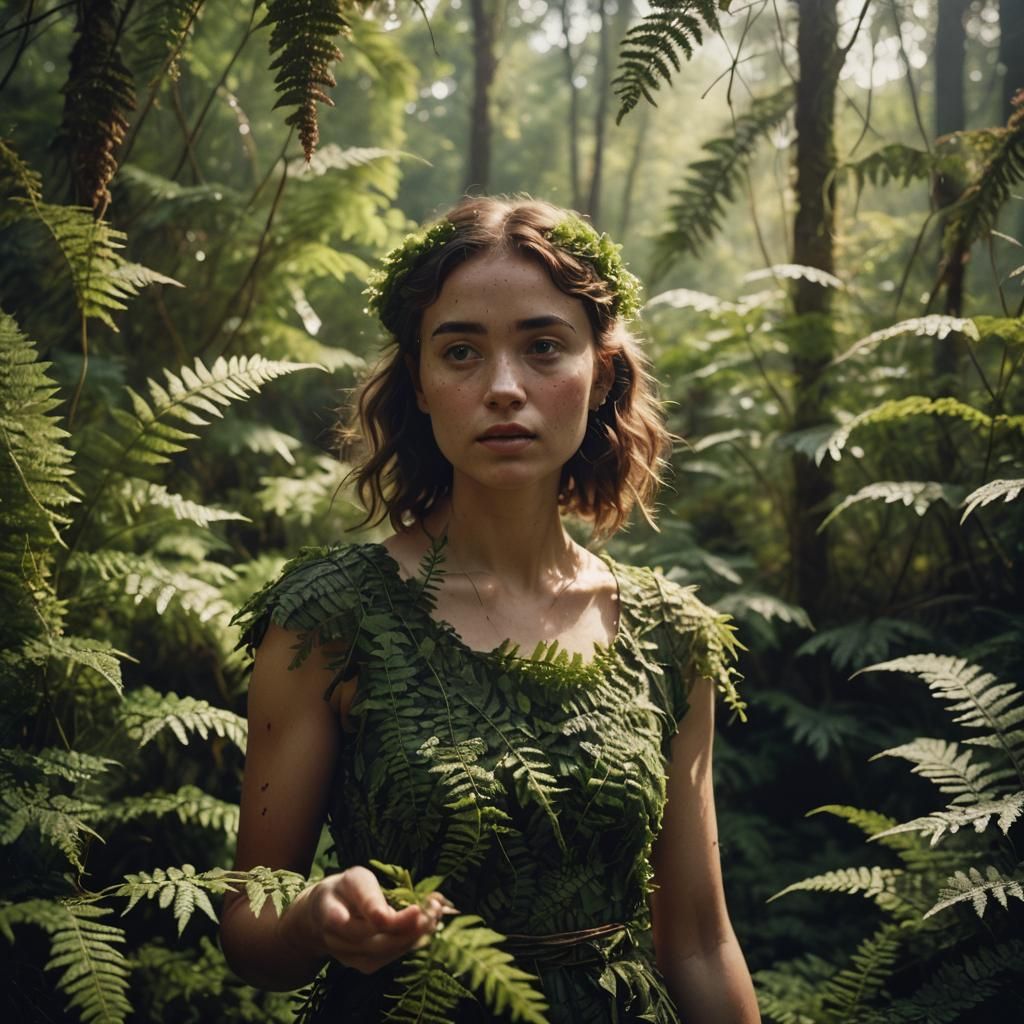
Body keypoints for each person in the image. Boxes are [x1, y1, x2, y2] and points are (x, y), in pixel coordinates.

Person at [221, 197, 760, 1024]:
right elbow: (249, 929)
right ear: (422, 385)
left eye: (544, 346)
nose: (504, 387)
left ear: (601, 372)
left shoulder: (671, 636)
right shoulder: (330, 619)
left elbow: (696, 941)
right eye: (462, 352)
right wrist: (311, 919)